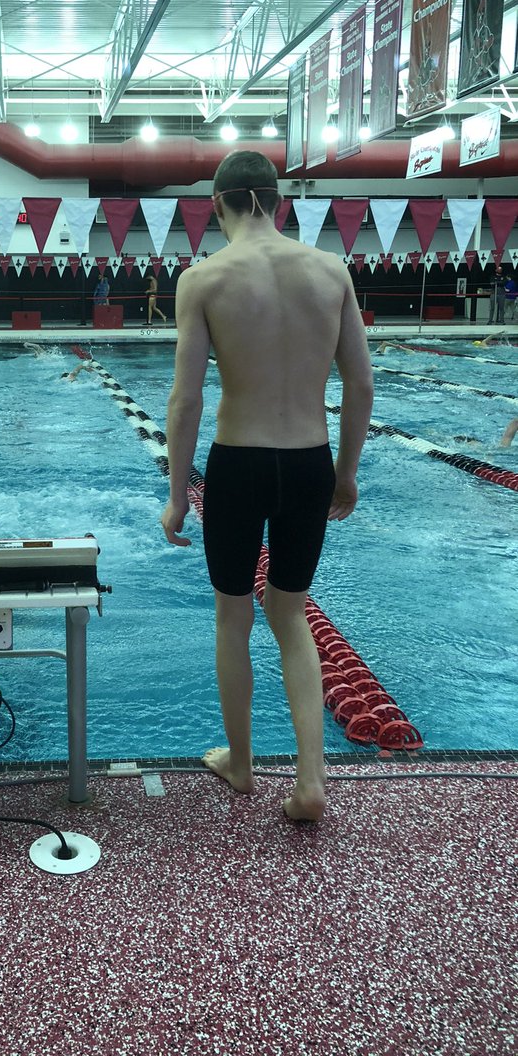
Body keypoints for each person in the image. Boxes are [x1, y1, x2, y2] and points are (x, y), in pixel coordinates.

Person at [160, 150, 373, 824]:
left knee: (234, 616)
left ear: (216, 205)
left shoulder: (203, 279)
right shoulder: (331, 270)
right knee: (291, 615)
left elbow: (186, 400)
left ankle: (243, 763)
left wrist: (176, 493)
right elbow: (361, 384)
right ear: (279, 202)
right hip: (309, 461)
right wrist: (346, 472)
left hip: (239, 464)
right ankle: (311, 780)